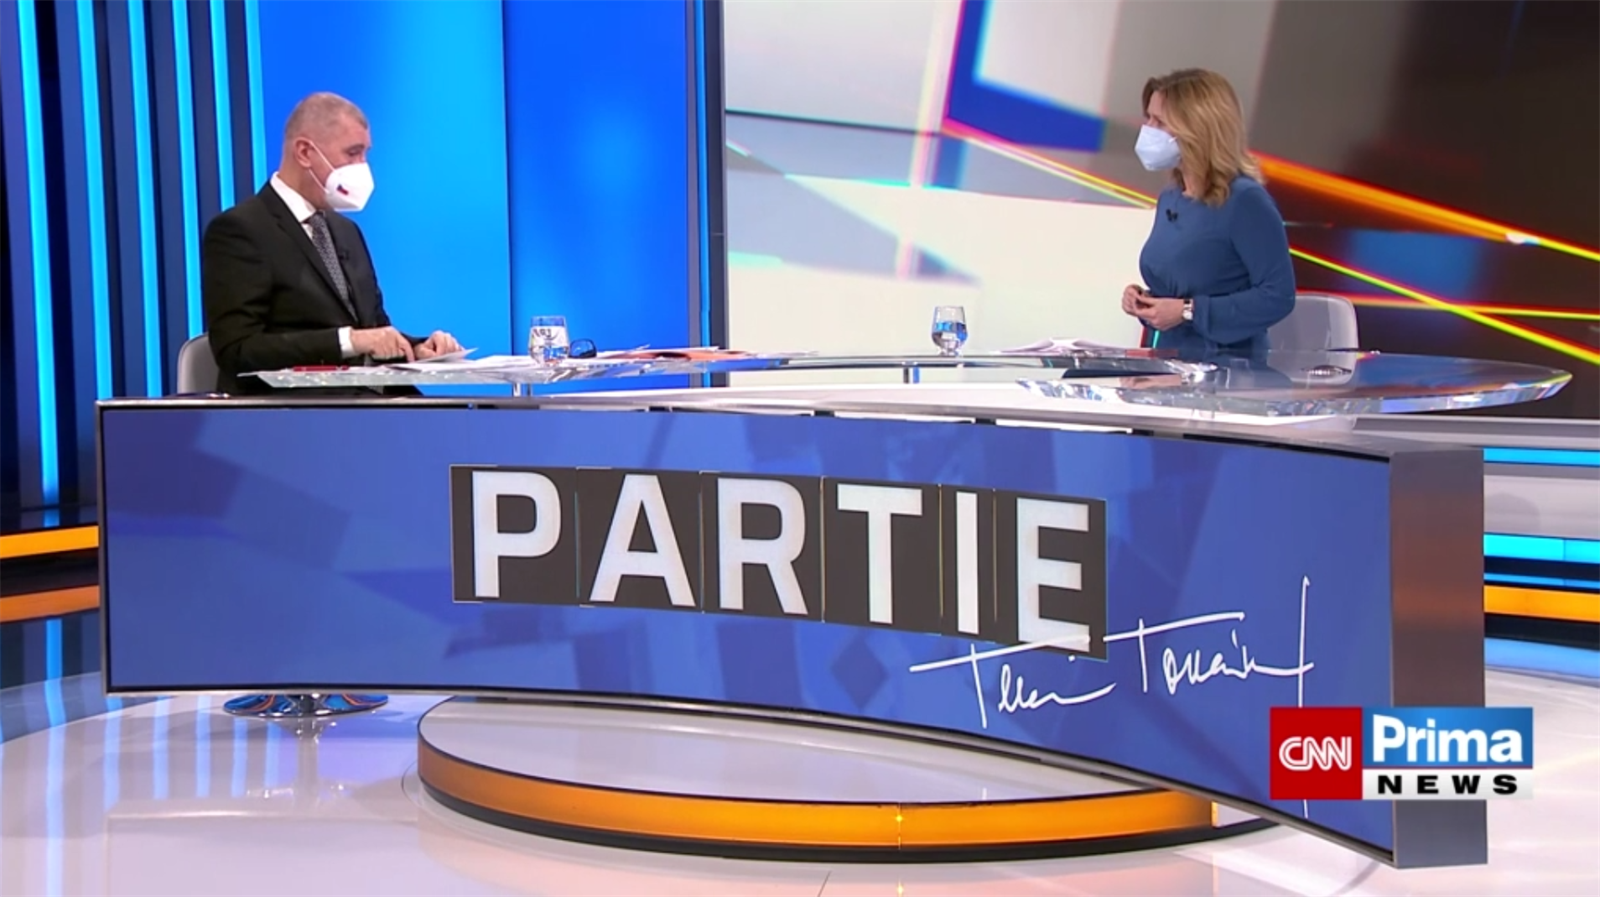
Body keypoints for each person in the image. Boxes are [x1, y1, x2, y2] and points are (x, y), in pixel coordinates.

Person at [201, 92, 460, 394]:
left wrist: (417, 348)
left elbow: (373, 329)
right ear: (304, 153)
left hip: (370, 403)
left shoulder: (346, 230)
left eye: (365, 154)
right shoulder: (241, 230)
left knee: (476, 416)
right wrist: (348, 341)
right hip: (295, 409)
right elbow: (237, 349)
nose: (362, 166)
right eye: (352, 153)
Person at [1121, 69, 1295, 355]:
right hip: (1171, 358)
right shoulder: (1171, 197)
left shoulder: (1245, 201)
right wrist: (1145, 301)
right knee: (1078, 375)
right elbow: (1181, 290)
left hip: (1226, 366)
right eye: (1148, 118)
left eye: (1159, 122)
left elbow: (1278, 296)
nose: (1148, 130)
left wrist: (1188, 311)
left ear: (1197, 130)